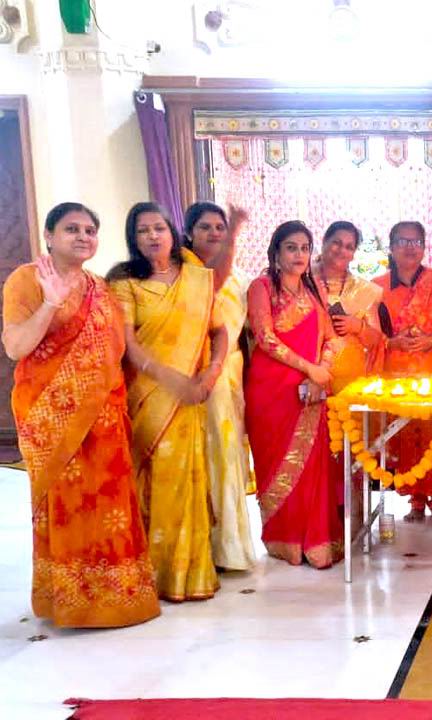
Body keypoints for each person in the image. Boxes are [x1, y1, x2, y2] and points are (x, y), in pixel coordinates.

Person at [2, 203, 160, 627]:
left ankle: (119, 600)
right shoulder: (27, 280)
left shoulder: (100, 289)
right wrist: (50, 304)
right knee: (68, 509)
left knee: (109, 510)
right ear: (49, 235)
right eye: (72, 229)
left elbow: (115, 353)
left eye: (90, 230)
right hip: (52, 419)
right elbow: (15, 347)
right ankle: (73, 602)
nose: (83, 237)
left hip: (104, 421)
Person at [109, 202, 227, 602]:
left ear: (172, 232)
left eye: (158, 228)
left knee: (188, 479)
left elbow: (219, 331)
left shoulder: (197, 277)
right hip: (148, 396)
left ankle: (188, 573)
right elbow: (129, 345)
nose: (152, 236)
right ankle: (153, 574)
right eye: (142, 230)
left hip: (192, 392)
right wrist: (169, 378)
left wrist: (210, 374)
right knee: (152, 481)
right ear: (133, 238)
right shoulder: (124, 282)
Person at [244, 221, 343, 567]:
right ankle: (284, 540)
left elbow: (332, 339)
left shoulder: (314, 289)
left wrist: (322, 371)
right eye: (291, 247)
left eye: (304, 248)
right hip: (271, 390)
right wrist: (310, 368)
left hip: (311, 389)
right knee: (276, 464)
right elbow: (265, 338)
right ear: (276, 252)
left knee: (315, 465)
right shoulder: (261, 287)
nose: (299, 254)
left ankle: (316, 540)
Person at [374, 221, 432, 522]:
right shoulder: (376, 288)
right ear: (391, 247)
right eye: (403, 241)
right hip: (395, 376)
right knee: (404, 435)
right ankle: (414, 500)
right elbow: (371, 334)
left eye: (416, 242)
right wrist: (392, 342)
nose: (410, 248)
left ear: (424, 247)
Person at [184, 201, 256, 572]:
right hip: (198, 374)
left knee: (229, 457)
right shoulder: (184, 274)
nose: (214, 233)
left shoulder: (241, 277)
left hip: (233, 373)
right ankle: (200, 548)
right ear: (188, 233)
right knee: (204, 457)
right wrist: (236, 230)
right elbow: (213, 282)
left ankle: (228, 547)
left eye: (220, 227)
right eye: (205, 227)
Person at [313, 221, 384, 393]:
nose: (341, 250)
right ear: (324, 242)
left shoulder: (365, 290)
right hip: (307, 377)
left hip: (349, 384)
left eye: (349, 247)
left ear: (353, 254)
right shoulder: (301, 282)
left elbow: (375, 340)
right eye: (336, 243)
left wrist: (358, 327)